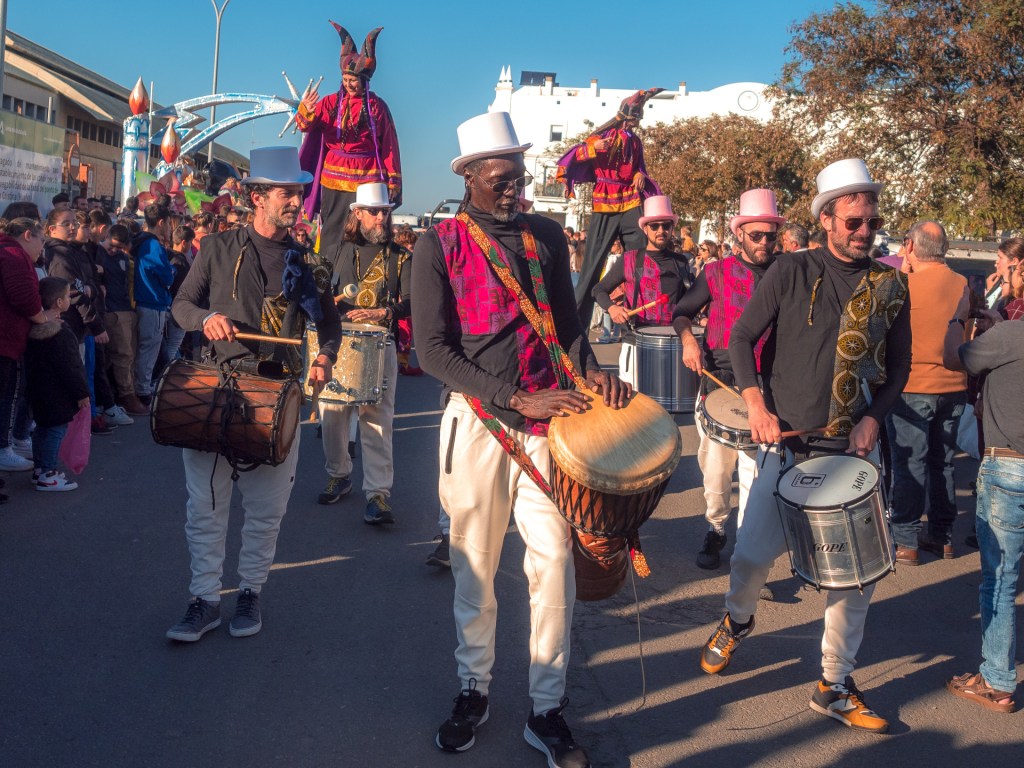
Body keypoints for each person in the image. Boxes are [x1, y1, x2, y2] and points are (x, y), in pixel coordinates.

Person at [413, 111, 628, 766]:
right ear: (471, 177)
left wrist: (591, 369)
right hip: (479, 424)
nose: (515, 190)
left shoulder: (544, 238)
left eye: (519, 177)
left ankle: (547, 707)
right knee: (474, 566)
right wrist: (511, 395)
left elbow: (566, 325)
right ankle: (473, 690)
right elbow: (431, 351)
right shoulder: (439, 243)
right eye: (502, 179)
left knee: (555, 565)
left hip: (548, 428)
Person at [702, 158, 911, 734]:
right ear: (826, 219)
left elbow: (898, 370)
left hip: (851, 454)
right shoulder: (791, 270)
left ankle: (835, 683)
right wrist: (755, 403)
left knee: (855, 582)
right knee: (749, 557)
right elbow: (742, 336)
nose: (865, 231)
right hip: (786, 447)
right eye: (853, 222)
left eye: (871, 220)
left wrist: (874, 418)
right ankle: (738, 620)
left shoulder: (890, 283)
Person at [167, 146, 342, 642]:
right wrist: (205, 319)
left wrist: (326, 356)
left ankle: (250, 592)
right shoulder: (218, 248)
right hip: (214, 391)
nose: (296, 202)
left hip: (278, 395)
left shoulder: (307, 261)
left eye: (299, 193)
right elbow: (182, 304)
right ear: (258, 196)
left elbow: (329, 322)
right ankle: (203, 599)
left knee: (265, 510)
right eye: (288, 193)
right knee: (205, 505)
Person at [673, 189, 784, 570]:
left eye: (771, 235)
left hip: (766, 387)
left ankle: (747, 554)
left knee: (758, 474)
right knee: (716, 470)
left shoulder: (788, 273)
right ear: (740, 235)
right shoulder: (715, 272)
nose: (765, 243)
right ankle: (716, 527)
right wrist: (689, 341)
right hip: (718, 381)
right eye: (757, 235)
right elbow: (682, 311)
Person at [943, 287, 1022, 714]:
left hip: (1009, 464)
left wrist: (958, 319)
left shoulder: (1012, 336)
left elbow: (954, 357)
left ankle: (997, 679)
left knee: (1001, 579)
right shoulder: (1008, 334)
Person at [316, 181, 410, 525]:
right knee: (332, 412)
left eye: (385, 212)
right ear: (358, 214)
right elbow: (321, 291)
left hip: (380, 344)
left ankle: (378, 495)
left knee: (377, 421)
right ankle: (339, 473)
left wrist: (382, 313)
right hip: (338, 342)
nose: (381, 218)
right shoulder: (339, 251)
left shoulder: (401, 257)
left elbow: (413, 302)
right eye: (374, 212)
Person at [887, 221, 967, 565]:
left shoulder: (903, 285)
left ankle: (906, 540)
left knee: (910, 463)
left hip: (913, 386)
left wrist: (904, 268)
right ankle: (942, 535)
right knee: (943, 463)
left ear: (910, 246)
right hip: (953, 386)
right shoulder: (962, 283)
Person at [556, 89, 663, 328]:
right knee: (593, 264)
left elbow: (640, 166)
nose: (638, 122)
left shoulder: (635, 141)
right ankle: (574, 326)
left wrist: (639, 174)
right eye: (636, 117)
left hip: (630, 200)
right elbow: (574, 155)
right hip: (605, 200)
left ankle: (639, 315)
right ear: (627, 116)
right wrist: (594, 149)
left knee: (639, 257)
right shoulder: (602, 136)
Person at [297, 22, 401, 261]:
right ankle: (327, 271)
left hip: (369, 176)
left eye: (353, 79)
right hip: (334, 176)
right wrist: (306, 110)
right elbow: (305, 126)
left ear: (365, 80)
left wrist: (392, 180)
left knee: (367, 229)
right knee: (333, 228)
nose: (349, 83)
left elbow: (389, 146)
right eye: (345, 78)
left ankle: (368, 268)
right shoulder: (330, 102)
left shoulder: (378, 107)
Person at [592, 195, 691, 388]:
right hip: (636, 342)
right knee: (637, 409)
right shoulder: (629, 259)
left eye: (666, 226)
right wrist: (612, 308)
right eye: (654, 226)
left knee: (668, 411)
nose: (660, 231)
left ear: (672, 228)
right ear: (645, 229)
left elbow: (689, 301)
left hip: (673, 343)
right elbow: (598, 290)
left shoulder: (681, 262)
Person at [24, 277, 91, 491]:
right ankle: (48, 473)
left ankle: (39, 469)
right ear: (60, 303)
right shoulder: (60, 333)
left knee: (42, 429)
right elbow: (71, 366)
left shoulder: (33, 330)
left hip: (38, 389)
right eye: (67, 295)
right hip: (58, 393)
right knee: (55, 431)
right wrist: (81, 392)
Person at [0, 218, 50, 473]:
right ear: (28, 235)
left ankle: (9, 444)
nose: (42, 248)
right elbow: (23, 297)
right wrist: (44, 320)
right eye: (42, 240)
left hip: (9, 340)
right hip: (5, 342)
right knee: (6, 396)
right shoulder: (12, 254)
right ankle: (3, 448)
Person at [131, 204, 175, 406]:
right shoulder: (153, 245)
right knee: (148, 349)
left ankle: (140, 386)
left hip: (143, 301)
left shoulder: (140, 240)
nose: (170, 227)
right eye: (169, 223)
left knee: (143, 348)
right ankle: (142, 391)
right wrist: (172, 272)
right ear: (161, 223)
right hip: (153, 302)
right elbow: (166, 275)